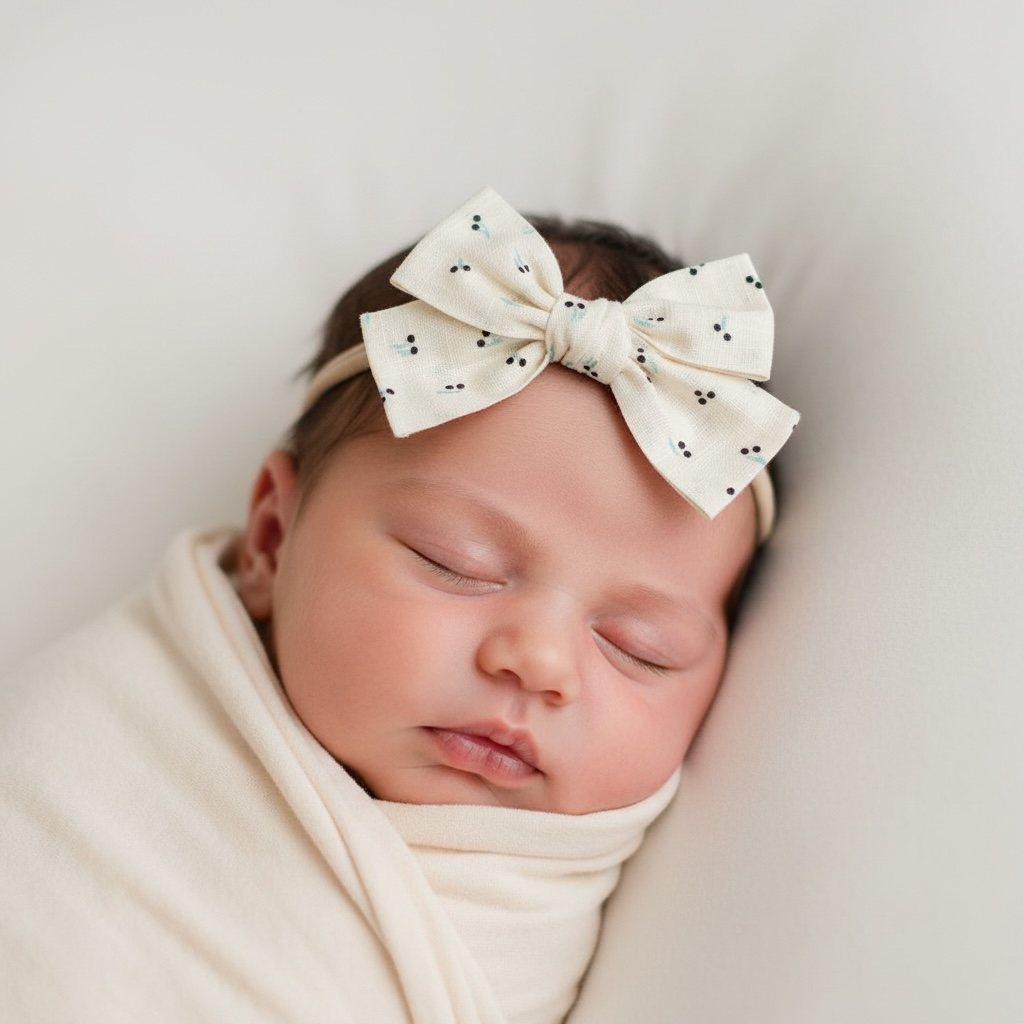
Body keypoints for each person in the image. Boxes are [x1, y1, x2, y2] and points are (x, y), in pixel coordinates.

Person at [0, 188, 798, 1024]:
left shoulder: (649, 918)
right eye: (455, 563)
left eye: (641, 646)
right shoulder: (88, 753)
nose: (541, 661)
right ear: (273, 539)